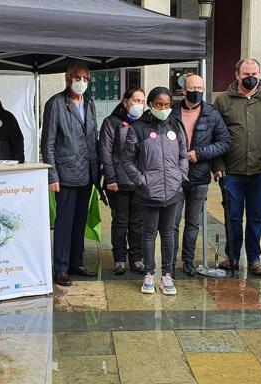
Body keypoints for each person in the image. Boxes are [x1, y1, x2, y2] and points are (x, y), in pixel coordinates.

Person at [214, 58, 261, 276]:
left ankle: (254, 259)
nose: (250, 77)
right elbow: (215, 134)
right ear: (237, 74)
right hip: (231, 171)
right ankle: (232, 256)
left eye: (254, 73)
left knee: (256, 217)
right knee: (232, 217)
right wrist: (218, 163)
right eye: (246, 73)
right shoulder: (223, 100)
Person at [122, 86, 188, 295]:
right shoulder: (138, 128)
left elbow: (183, 155)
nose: (163, 108)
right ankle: (149, 274)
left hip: (173, 191)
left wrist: (181, 175)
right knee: (149, 234)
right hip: (148, 191)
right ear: (150, 104)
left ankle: (167, 275)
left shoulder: (175, 125)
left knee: (168, 233)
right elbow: (127, 159)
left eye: (167, 105)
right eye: (159, 104)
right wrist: (141, 180)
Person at [41, 62, 100, 286]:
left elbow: (92, 137)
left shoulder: (90, 103)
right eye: (77, 78)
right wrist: (52, 175)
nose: (81, 82)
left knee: (79, 221)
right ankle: (61, 268)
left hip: (87, 172)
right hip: (65, 174)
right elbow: (48, 143)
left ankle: (77, 262)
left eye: (85, 78)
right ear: (68, 79)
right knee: (64, 223)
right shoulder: (56, 103)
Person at [172, 75, 231, 276]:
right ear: (183, 91)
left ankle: (187, 261)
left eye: (200, 87)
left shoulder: (211, 114)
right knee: (172, 222)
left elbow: (224, 142)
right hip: (174, 176)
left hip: (199, 176)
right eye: (192, 87)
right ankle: (169, 262)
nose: (196, 91)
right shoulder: (172, 113)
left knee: (192, 223)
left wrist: (200, 154)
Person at [99, 86, 146, 275]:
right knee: (120, 221)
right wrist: (110, 177)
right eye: (135, 100)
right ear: (125, 101)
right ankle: (119, 258)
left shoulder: (144, 122)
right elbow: (105, 151)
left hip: (139, 182)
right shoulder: (111, 122)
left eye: (142, 101)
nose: (139, 105)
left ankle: (136, 258)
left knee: (138, 223)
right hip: (117, 182)